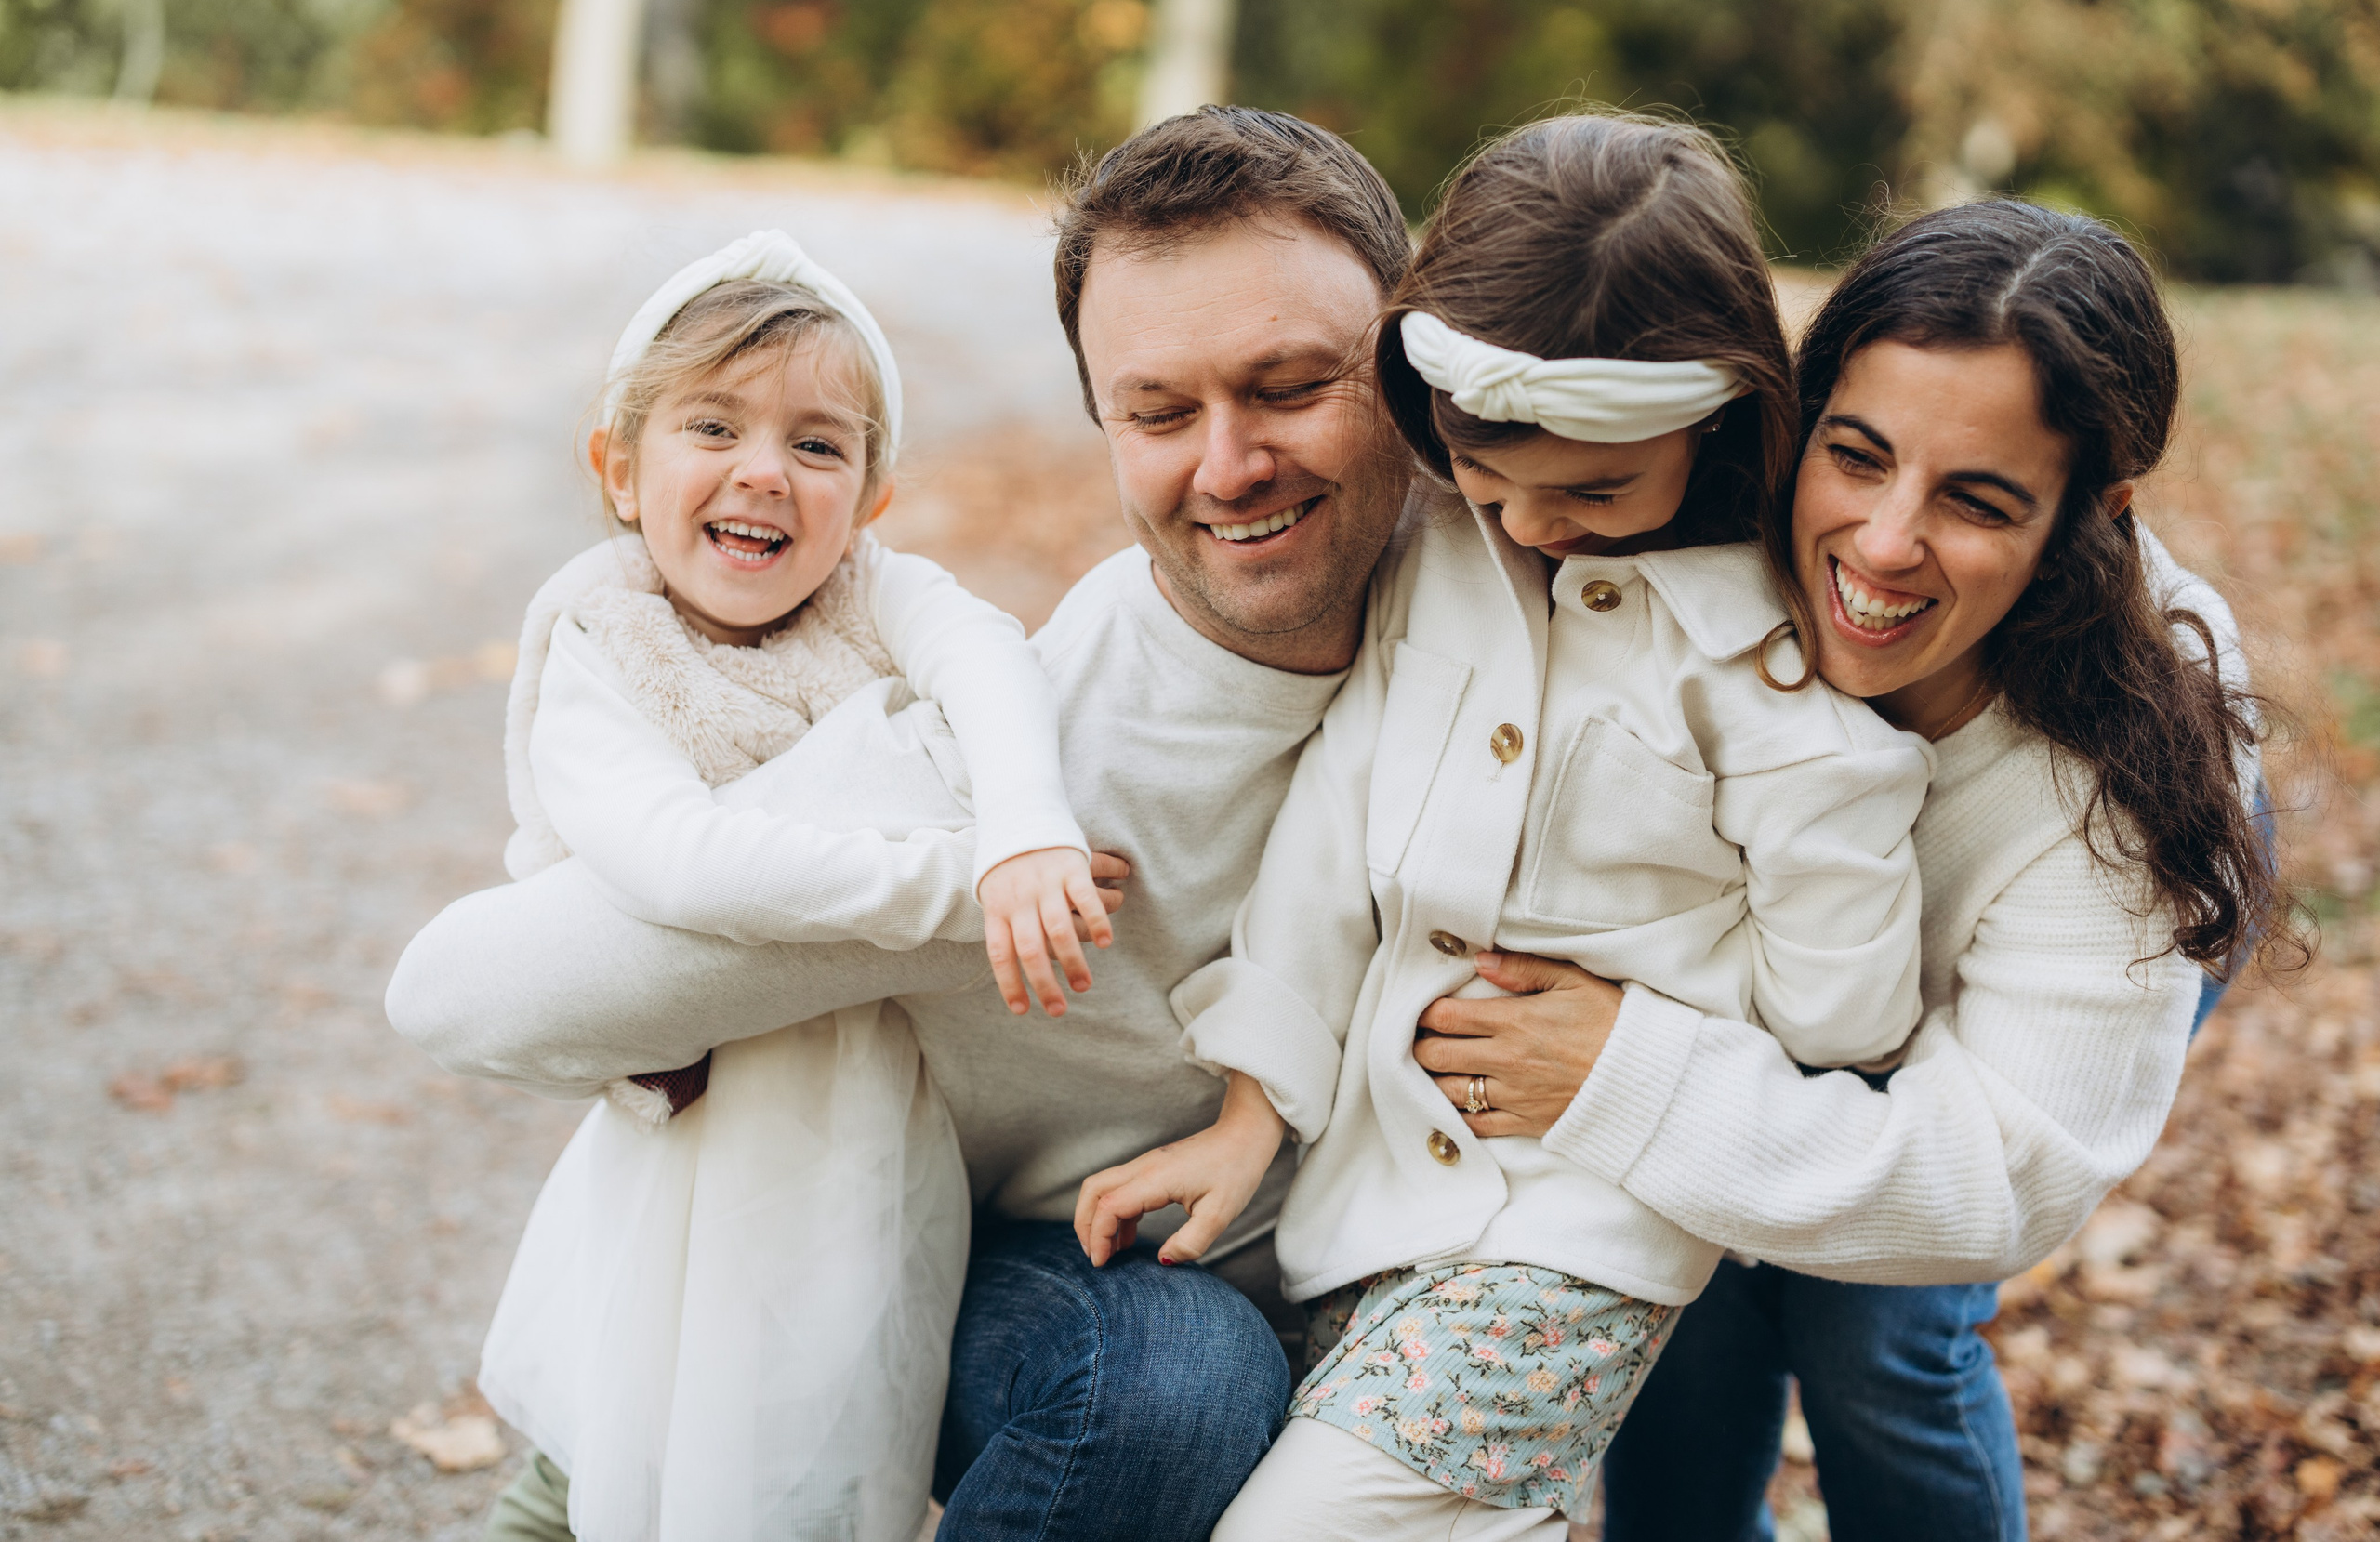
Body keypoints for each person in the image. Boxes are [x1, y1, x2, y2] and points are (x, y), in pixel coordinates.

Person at [387, 108, 1421, 1542]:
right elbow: (457, 989)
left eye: (1294, 384)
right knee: (1175, 1376)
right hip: (986, 1277)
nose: (1231, 464)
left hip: (1379, 1307)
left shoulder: (1517, 629)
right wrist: (966, 879)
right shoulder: (1009, 754)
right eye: (1161, 412)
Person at [1073, 112, 1936, 1541]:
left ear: (1713, 425)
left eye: (1595, 490)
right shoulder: (1450, 568)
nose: (1533, 527)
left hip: (1575, 1248)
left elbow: (1839, 1018)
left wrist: (1643, 1035)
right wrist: (1248, 1113)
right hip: (1364, 1200)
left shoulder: (1771, 686)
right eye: (1488, 478)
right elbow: (1327, 838)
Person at [1389, 202, 2281, 1542]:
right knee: (1695, 1271)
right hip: (1788, 948)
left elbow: (1999, 1175)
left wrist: (1629, 1077)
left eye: (1978, 500)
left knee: (1877, 1332)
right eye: (1854, 457)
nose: (1880, 544)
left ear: (2093, 520)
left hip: (2071, 931)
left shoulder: (2130, 791)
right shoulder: (1693, 504)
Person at [468, 230, 1121, 1542]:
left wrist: (1024, 828)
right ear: (617, 465)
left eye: (819, 446)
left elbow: (988, 653)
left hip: (861, 1112)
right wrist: (949, 884)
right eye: (714, 426)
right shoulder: (606, 643)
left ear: (872, 495)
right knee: (618, 1412)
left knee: (807, 1423)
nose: (765, 471)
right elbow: (673, 859)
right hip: (692, 1106)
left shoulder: (879, 596)